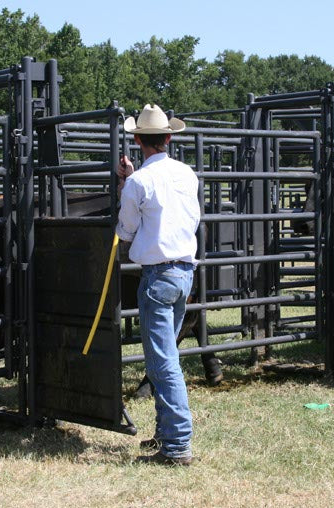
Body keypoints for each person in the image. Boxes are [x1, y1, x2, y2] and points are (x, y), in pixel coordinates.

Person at [116, 104, 200, 466]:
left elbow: (126, 230)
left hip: (157, 277)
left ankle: (177, 444)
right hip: (183, 273)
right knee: (165, 358)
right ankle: (167, 434)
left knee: (163, 363)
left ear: (138, 141)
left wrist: (127, 185)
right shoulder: (186, 174)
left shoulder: (138, 183)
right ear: (168, 138)